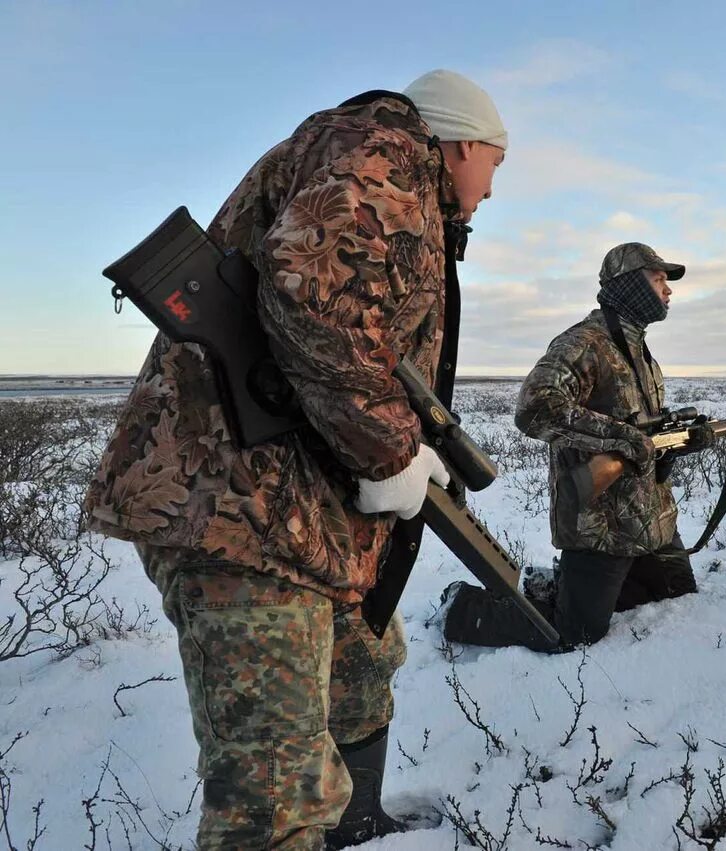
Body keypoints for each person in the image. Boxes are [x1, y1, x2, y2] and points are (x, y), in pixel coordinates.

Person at [82, 69, 506, 849]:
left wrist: (414, 449)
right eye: (496, 165)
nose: (492, 185)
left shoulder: (384, 170)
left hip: (294, 509)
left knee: (362, 664)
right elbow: (315, 298)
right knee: (274, 803)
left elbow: (354, 335)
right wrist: (390, 453)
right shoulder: (383, 152)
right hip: (234, 510)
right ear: (466, 142)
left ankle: (362, 825)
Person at [439, 243, 698, 651]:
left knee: (676, 596)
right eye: (659, 279)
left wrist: (676, 441)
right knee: (574, 633)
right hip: (601, 527)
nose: (669, 290)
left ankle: (559, 586)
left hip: (650, 520)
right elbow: (535, 408)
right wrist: (624, 438)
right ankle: (461, 607)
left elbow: (641, 435)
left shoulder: (639, 349)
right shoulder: (584, 342)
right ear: (629, 284)